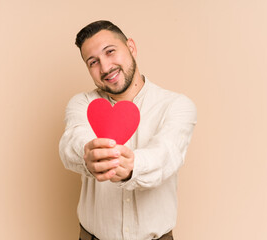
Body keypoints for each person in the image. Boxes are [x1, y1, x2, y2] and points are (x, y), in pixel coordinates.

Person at [59, 20, 197, 240]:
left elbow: (167, 154)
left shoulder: (177, 105)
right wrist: (89, 154)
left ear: (131, 47)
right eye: (93, 62)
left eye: (110, 52)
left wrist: (133, 166)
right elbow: (71, 142)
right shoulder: (82, 104)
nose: (105, 68)